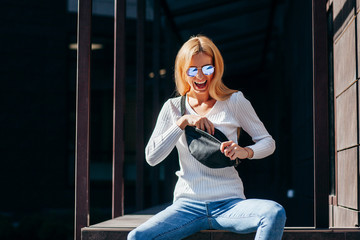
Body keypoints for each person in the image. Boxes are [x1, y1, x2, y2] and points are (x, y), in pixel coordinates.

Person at [127, 35, 286, 240]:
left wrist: (245, 151)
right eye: (193, 70)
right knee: (137, 237)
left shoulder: (234, 101)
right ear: (184, 73)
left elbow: (268, 142)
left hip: (230, 203)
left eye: (207, 68)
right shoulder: (173, 107)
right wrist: (182, 122)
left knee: (273, 213)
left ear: (216, 69)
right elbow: (151, 157)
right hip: (187, 206)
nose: (200, 76)